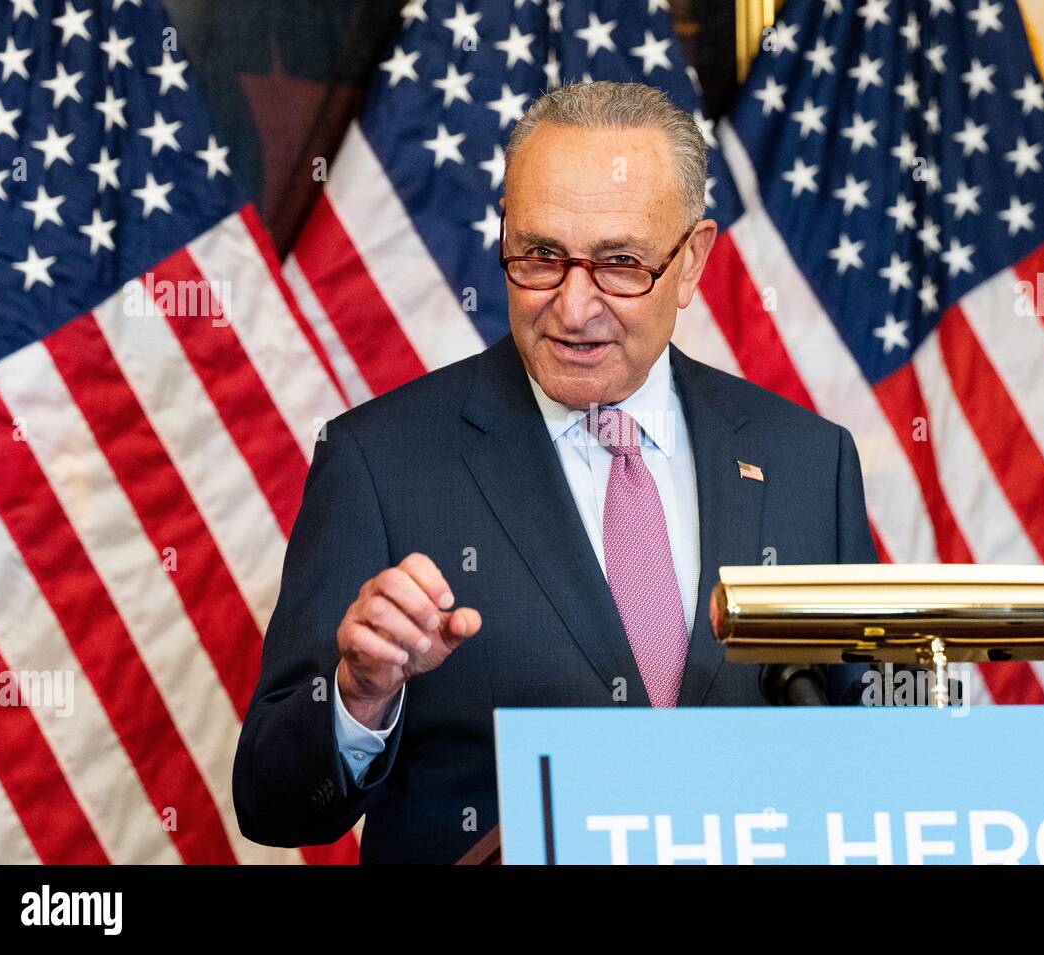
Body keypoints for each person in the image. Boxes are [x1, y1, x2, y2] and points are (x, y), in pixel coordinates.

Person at [233, 81, 877, 864]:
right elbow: (271, 799)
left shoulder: (810, 461)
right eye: (540, 256)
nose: (573, 308)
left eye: (620, 264)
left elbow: (874, 751)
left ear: (693, 259)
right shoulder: (379, 461)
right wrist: (360, 695)